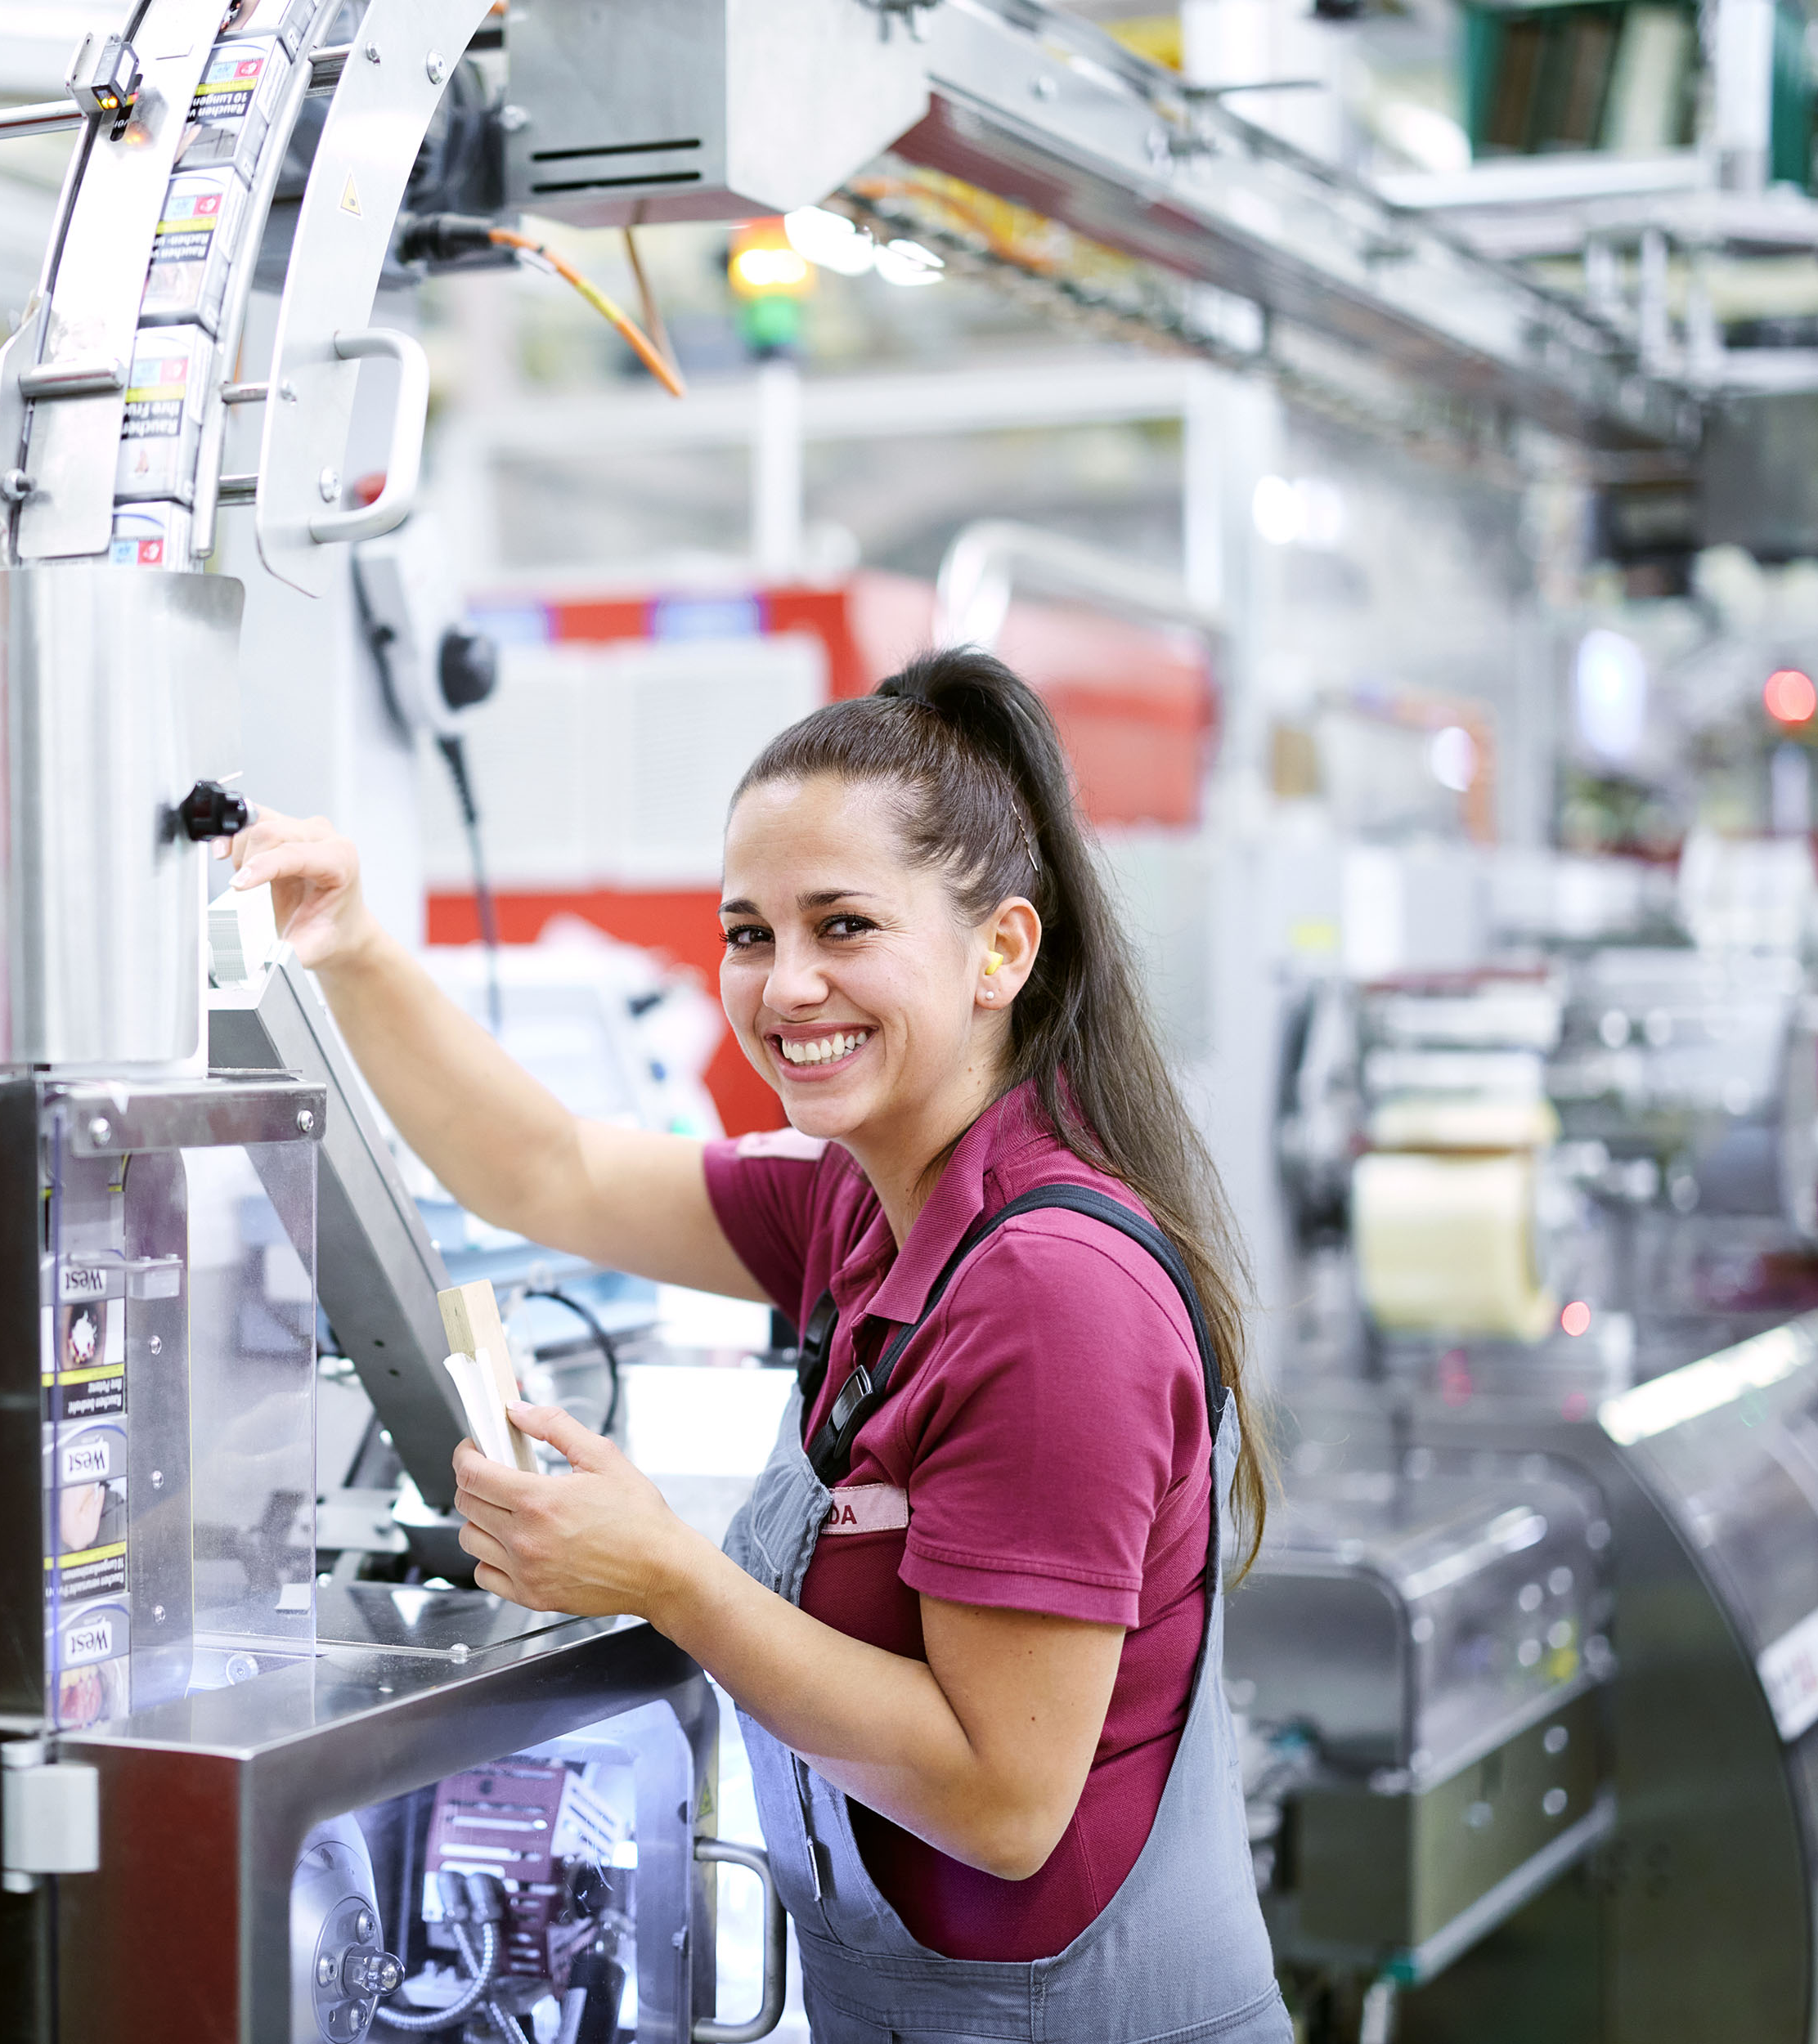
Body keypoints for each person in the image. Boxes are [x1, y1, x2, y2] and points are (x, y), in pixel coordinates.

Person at [231, 648, 1287, 2043]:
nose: (787, 987)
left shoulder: (1053, 1291)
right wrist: (354, 947)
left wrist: (665, 1571)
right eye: (748, 933)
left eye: (843, 926)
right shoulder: (866, 1202)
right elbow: (546, 1169)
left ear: (1002, 951)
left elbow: (1002, 1802)